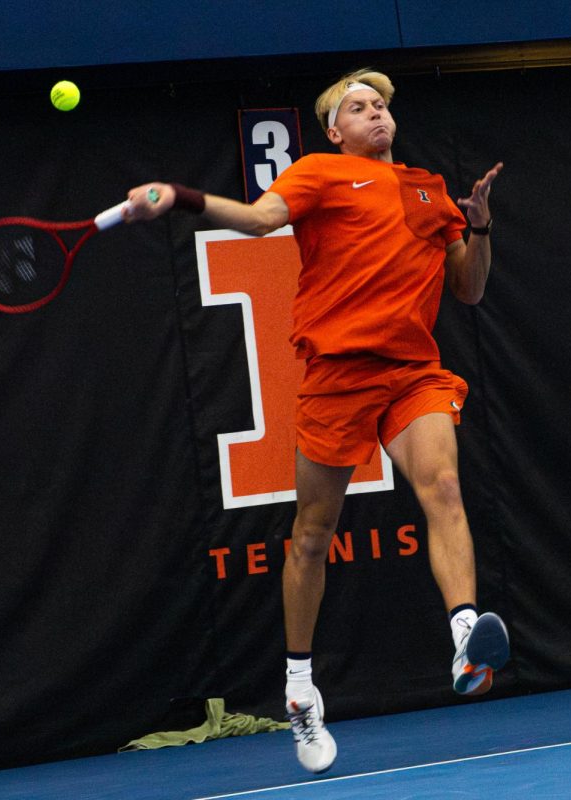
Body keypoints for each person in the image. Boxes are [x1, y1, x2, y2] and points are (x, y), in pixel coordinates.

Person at [122, 68, 508, 775]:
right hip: (337, 377)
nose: (376, 114)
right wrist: (179, 198)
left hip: (412, 372)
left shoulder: (428, 190)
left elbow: (471, 288)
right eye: (359, 107)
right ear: (336, 131)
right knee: (311, 538)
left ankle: (462, 638)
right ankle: (301, 687)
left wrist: (478, 224)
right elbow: (260, 220)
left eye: (383, 105)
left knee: (444, 488)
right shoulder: (320, 174)